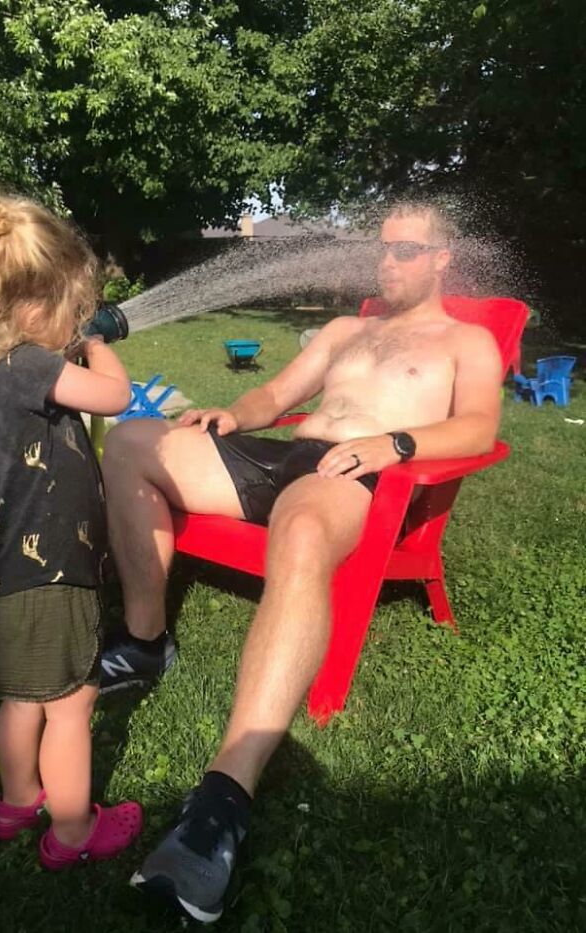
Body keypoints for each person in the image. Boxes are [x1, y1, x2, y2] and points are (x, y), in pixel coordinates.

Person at [99, 201, 503, 920]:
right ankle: (145, 640)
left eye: (408, 250)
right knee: (133, 442)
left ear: (444, 258)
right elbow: (278, 393)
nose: (389, 261)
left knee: (304, 525)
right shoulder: (349, 328)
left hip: (362, 475)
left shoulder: (466, 341)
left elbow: (479, 424)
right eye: (384, 249)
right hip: (286, 452)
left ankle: (223, 800)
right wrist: (235, 414)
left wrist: (397, 444)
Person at [0, 191, 142, 870]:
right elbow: (115, 395)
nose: (74, 320)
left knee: (21, 698)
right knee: (73, 702)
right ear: (29, 302)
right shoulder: (30, 364)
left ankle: (17, 801)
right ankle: (74, 830)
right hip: (52, 570)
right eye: (69, 305)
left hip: (1, 574)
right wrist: (97, 340)